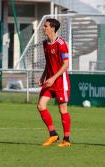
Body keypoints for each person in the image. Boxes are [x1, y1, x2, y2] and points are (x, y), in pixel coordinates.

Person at [37, 18, 71, 147]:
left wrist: (53, 78)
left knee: (62, 109)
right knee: (41, 105)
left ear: (52, 28)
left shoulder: (61, 44)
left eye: (45, 26)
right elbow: (48, 63)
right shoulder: (45, 43)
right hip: (50, 81)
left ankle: (66, 139)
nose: (43, 28)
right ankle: (53, 134)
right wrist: (43, 76)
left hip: (60, 81)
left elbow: (65, 65)